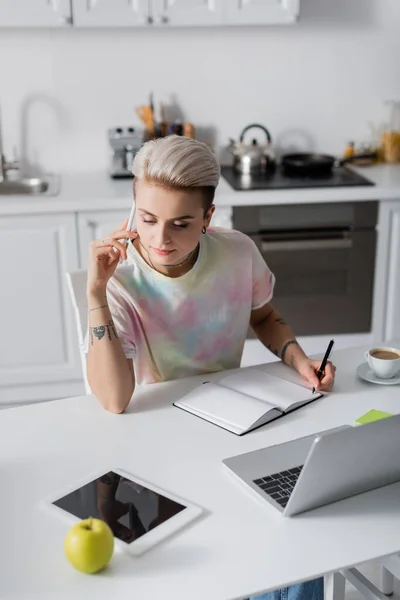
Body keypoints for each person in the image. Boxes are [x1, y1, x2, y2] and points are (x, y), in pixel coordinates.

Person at [86, 135, 335, 600]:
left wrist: (301, 361)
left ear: (207, 218)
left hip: (239, 426)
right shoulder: (121, 280)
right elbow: (114, 400)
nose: (160, 239)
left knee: (305, 543)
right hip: (161, 446)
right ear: (133, 209)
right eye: (147, 219)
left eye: (181, 223)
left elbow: (263, 315)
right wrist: (96, 295)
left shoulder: (238, 252)